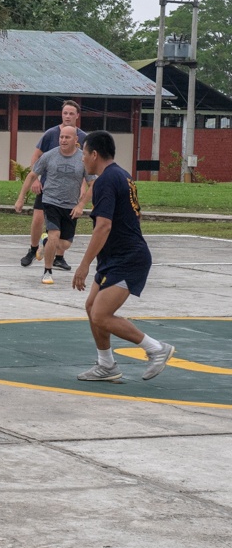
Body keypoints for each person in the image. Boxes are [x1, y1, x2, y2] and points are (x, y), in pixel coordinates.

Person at [72, 130, 174, 382]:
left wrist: (84, 265)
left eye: (83, 153)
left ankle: (156, 349)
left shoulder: (107, 180)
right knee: (90, 306)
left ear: (95, 154)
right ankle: (106, 365)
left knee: (100, 315)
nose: (82, 158)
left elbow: (103, 226)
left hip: (128, 258)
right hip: (114, 257)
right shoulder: (122, 175)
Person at [14, 126, 94, 285]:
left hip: (71, 205)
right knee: (54, 235)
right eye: (61, 137)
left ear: (76, 140)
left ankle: (45, 243)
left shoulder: (83, 159)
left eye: (67, 137)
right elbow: (32, 175)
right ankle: (47, 272)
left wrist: (81, 205)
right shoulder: (49, 156)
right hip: (50, 202)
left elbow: (93, 184)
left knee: (65, 244)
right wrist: (21, 198)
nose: (63, 140)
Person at [20, 100, 88, 269]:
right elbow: (36, 157)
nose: (68, 116)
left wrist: (83, 185)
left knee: (62, 231)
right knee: (38, 219)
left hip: (69, 189)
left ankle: (58, 256)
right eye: (65, 113)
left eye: (71, 113)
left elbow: (87, 166)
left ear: (77, 116)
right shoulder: (51, 134)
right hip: (48, 187)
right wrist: (36, 180)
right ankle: (33, 249)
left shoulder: (84, 138)